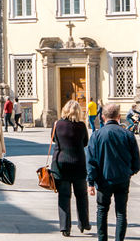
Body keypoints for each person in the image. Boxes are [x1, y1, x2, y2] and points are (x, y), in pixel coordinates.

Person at [87, 103, 140, 241]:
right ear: (118, 116)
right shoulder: (127, 134)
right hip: (122, 178)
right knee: (121, 212)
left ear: (103, 117)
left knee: (102, 211)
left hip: (103, 179)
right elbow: (136, 160)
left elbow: (92, 161)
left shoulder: (97, 135)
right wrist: (129, 172)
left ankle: (102, 239)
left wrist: (91, 182)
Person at [51, 100, 90, 237]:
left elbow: (54, 139)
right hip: (78, 164)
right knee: (81, 195)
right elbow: (86, 142)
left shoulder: (57, 124)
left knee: (64, 196)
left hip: (61, 165)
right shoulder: (81, 126)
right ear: (78, 111)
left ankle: (64, 227)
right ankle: (83, 223)